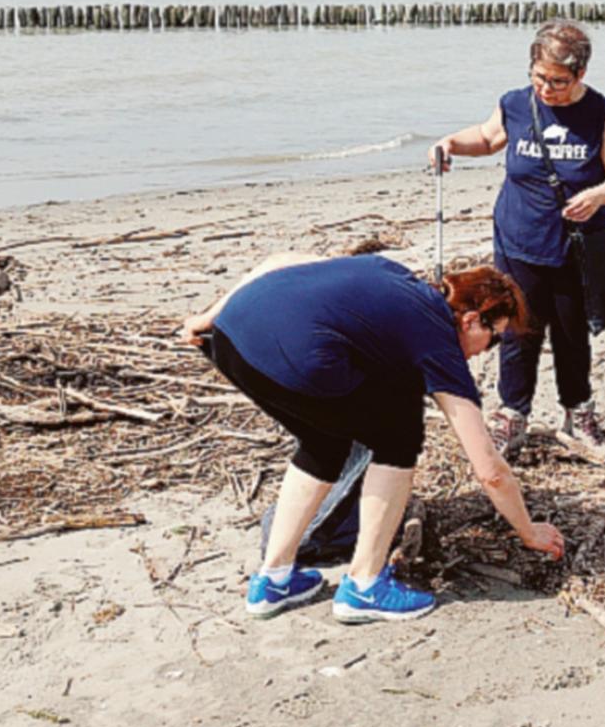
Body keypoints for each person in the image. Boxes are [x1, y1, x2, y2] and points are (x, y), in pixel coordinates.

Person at [180, 254, 565, 622]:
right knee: (399, 436)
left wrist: (208, 316)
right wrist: (529, 532)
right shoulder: (437, 338)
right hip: (296, 357)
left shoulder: (391, 273)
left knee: (324, 443)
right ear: (470, 321)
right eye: (494, 339)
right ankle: (364, 585)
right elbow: (489, 469)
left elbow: (278, 261)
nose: (486, 353)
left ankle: (273, 579)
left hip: (232, 339)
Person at [430, 20, 605, 463]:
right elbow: (487, 138)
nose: (547, 89)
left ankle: (577, 416)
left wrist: (600, 194)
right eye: (540, 78)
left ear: (580, 75)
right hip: (518, 238)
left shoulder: (603, 112)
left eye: (559, 82)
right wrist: (450, 144)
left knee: (570, 333)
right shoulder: (516, 104)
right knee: (516, 330)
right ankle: (512, 416)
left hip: (576, 245)